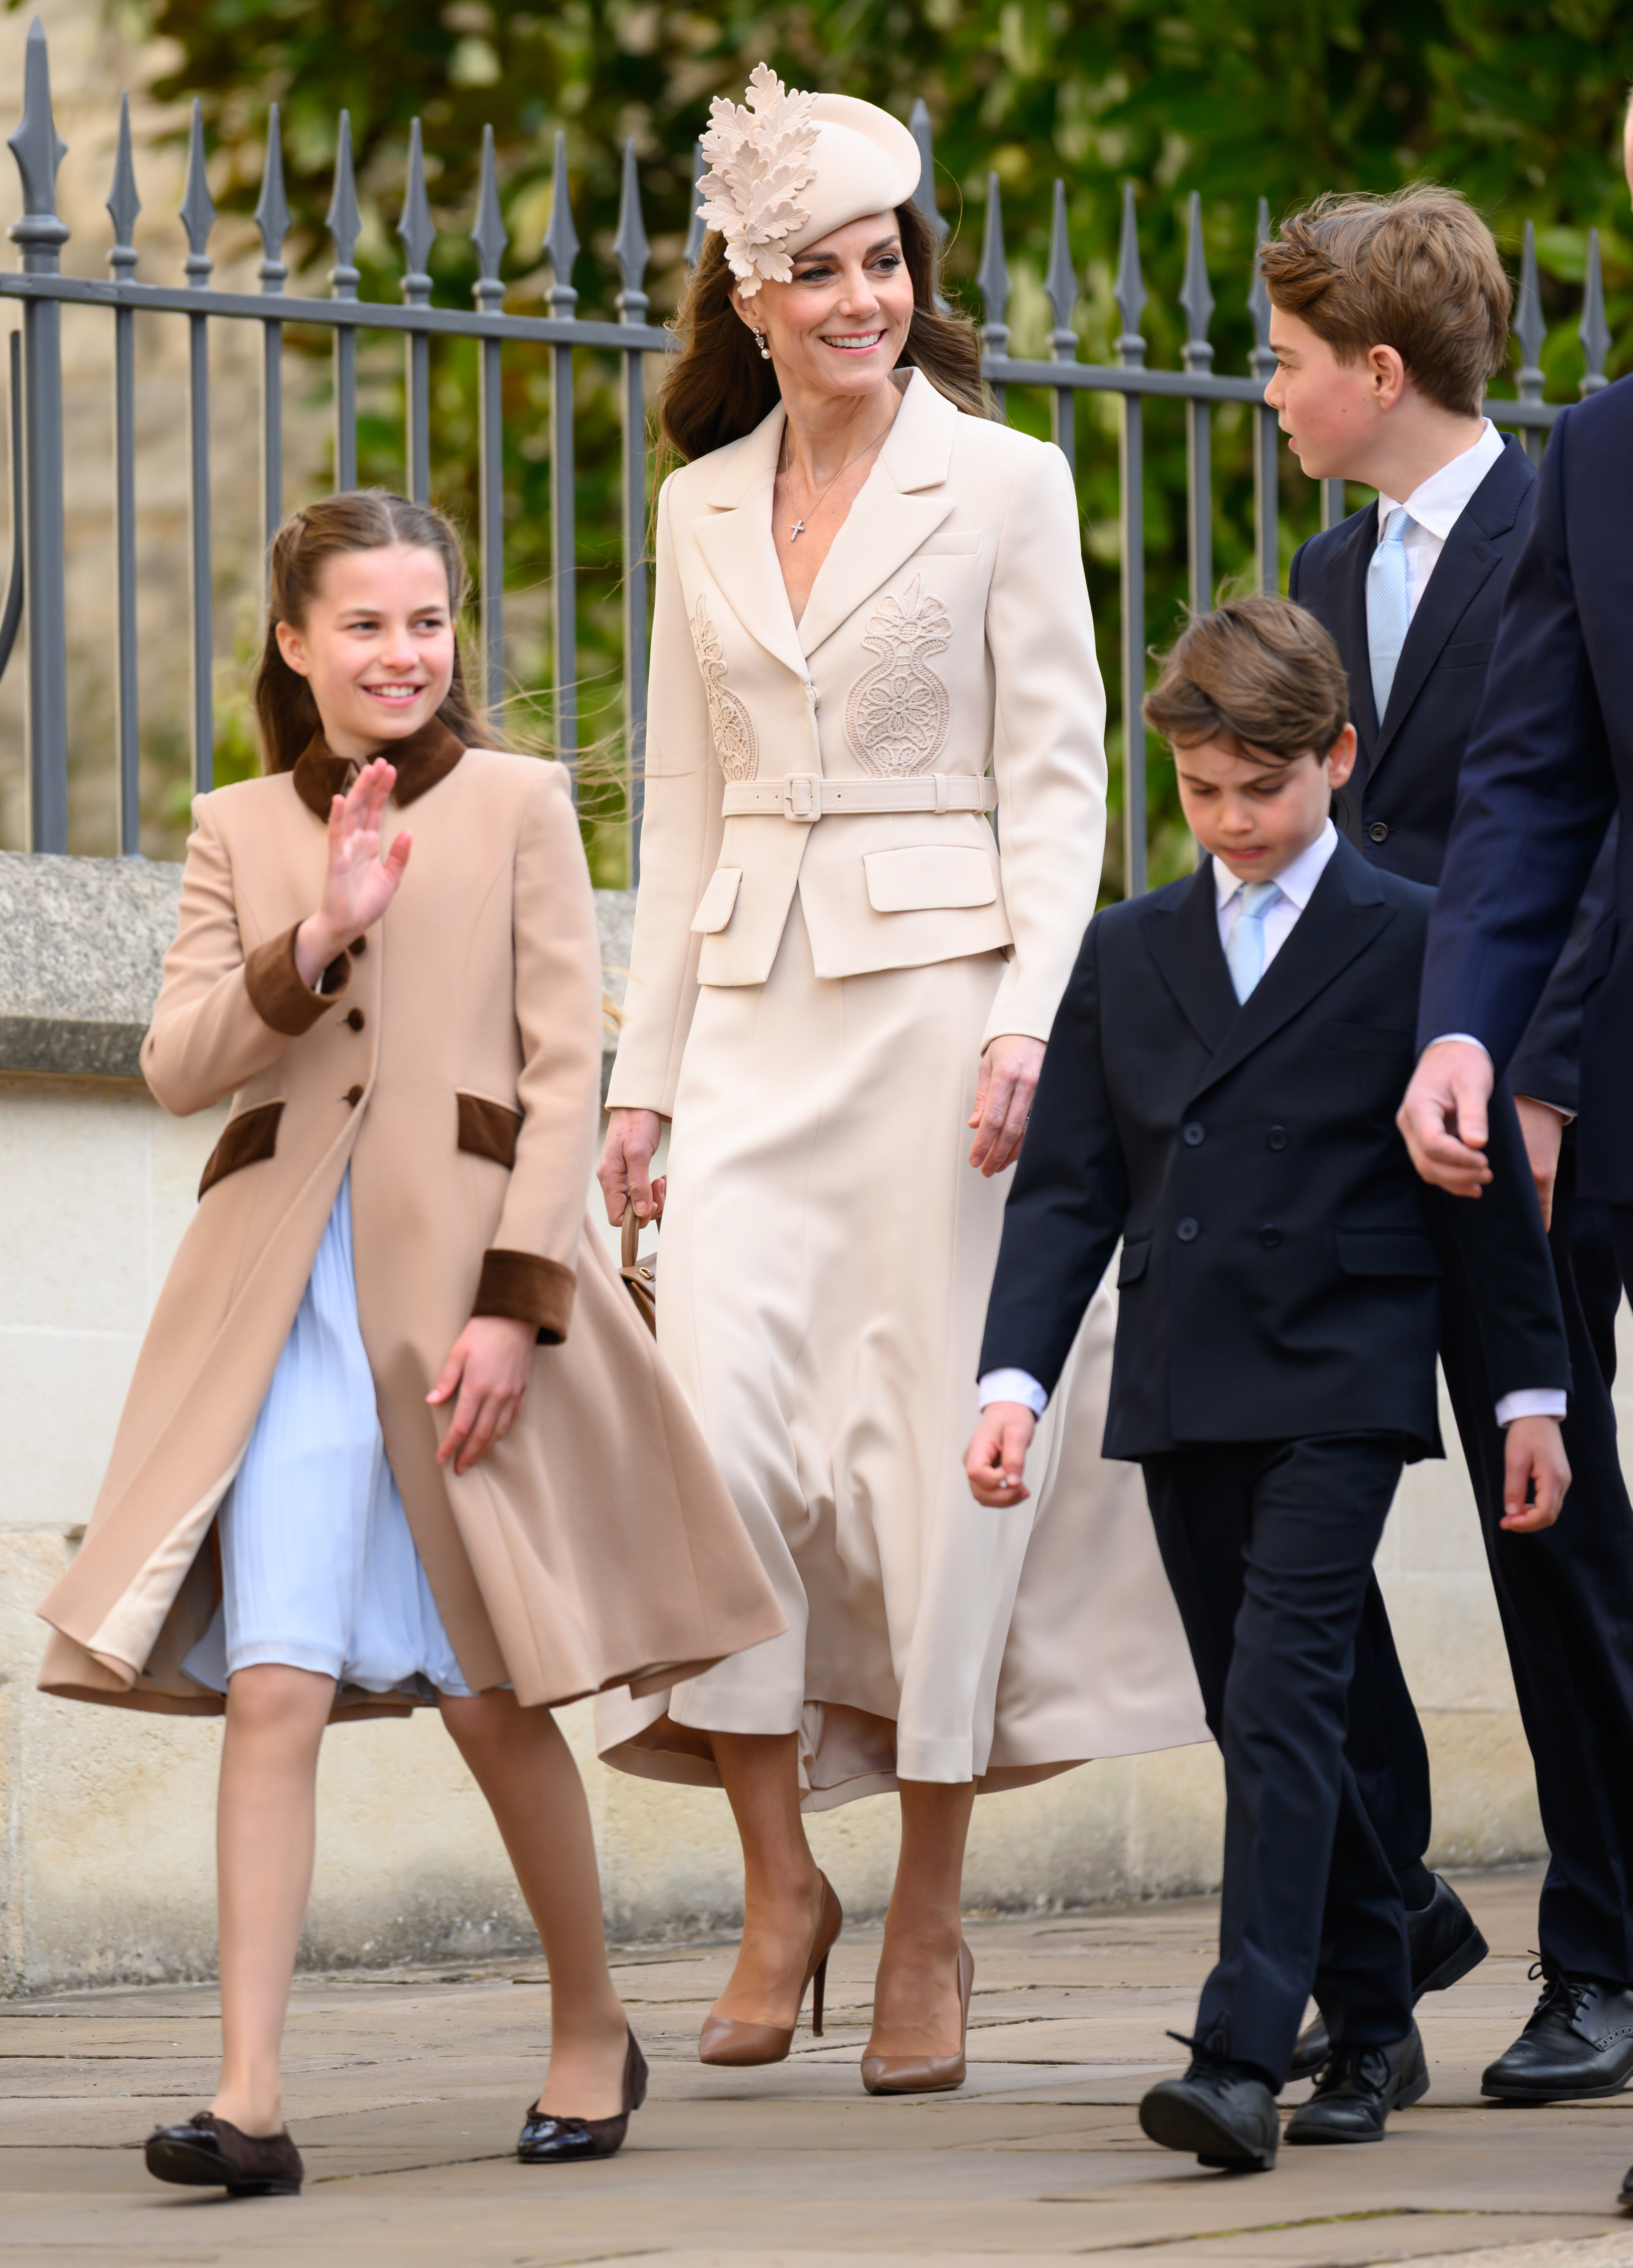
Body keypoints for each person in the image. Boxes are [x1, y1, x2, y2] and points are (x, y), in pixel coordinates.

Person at [35, 492, 784, 2194]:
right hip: (283, 1314)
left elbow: (555, 1073)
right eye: (364, 624)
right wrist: (315, 932)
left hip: (459, 1314)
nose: (401, 653)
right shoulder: (234, 825)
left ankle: (592, 2024)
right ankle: (247, 2095)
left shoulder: (519, 805)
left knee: (490, 1690)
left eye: (427, 622)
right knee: (276, 1688)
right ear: (294, 643)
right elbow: (177, 1064)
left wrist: (520, 1306)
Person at [594, 66, 1205, 2097]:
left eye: (884, 262)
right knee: (722, 1454)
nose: (863, 299)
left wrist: (1036, 1020)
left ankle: (931, 1906)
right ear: (746, 294)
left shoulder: (1006, 482)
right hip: (751, 1027)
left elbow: (1061, 785)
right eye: (818, 271)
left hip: (950, 1024)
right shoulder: (692, 505)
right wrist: (639, 1083)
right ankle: (787, 1883)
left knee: (944, 1475)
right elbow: (681, 815)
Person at [969, 596, 1570, 2171]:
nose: (1235, 822)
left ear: (1339, 758)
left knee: (1284, 1688)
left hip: (1345, 1368)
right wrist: (1015, 1378)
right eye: (1204, 790)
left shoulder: (1421, 931)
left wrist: (1531, 1398)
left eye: (1267, 787)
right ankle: (1383, 1995)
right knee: (1264, 1711)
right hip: (1181, 1371)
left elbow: (1486, 1182)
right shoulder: (1125, 951)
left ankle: (1243, 2051)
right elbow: (1068, 1194)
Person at [1262, 183, 1633, 2098]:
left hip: (1537, 1114)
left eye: (1288, 359)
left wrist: (1539, 1069)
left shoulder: (1555, 500)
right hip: (1373, 1111)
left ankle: (1603, 1947)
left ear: (1381, 368)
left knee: (1552, 1533)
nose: (1264, 391)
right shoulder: (1328, 574)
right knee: (1278, 1490)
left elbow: (1571, 832)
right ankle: (1387, 1915)